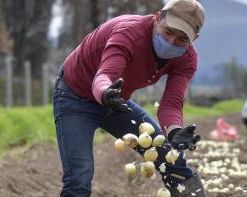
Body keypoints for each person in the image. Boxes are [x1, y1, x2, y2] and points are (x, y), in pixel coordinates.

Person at [52, 0, 206, 196]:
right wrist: (106, 93)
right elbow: (105, 75)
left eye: (182, 39)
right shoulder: (128, 34)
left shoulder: (187, 59)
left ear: (195, 38)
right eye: (168, 32)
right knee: (79, 176)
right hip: (75, 96)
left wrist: (174, 131)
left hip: (115, 102)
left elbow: (171, 104)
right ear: (158, 18)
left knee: (172, 158)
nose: (171, 42)